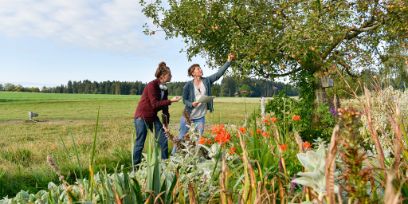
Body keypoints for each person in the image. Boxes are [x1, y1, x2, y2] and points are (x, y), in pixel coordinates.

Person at [172, 53, 235, 154]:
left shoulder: (206, 81)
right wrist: (191, 104)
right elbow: (184, 100)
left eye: (200, 68)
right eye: (198, 69)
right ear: (193, 73)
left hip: (200, 117)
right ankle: (173, 157)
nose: (200, 70)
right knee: (181, 137)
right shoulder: (188, 85)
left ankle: (194, 158)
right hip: (188, 116)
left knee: (198, 140)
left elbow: (218, 74)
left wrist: (228, 61)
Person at [133, 62, 181, 166]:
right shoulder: (152, 85)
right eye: (170, 75)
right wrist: (171, 101)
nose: (171, 76)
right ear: (163, 76)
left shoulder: (165, 88)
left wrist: (166, 124)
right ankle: (135, 167)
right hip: (142, 117)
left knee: (163, 139)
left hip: (153, 117)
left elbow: (165, 108)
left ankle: (164, 164)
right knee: (140, 142)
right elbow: (154, 104)